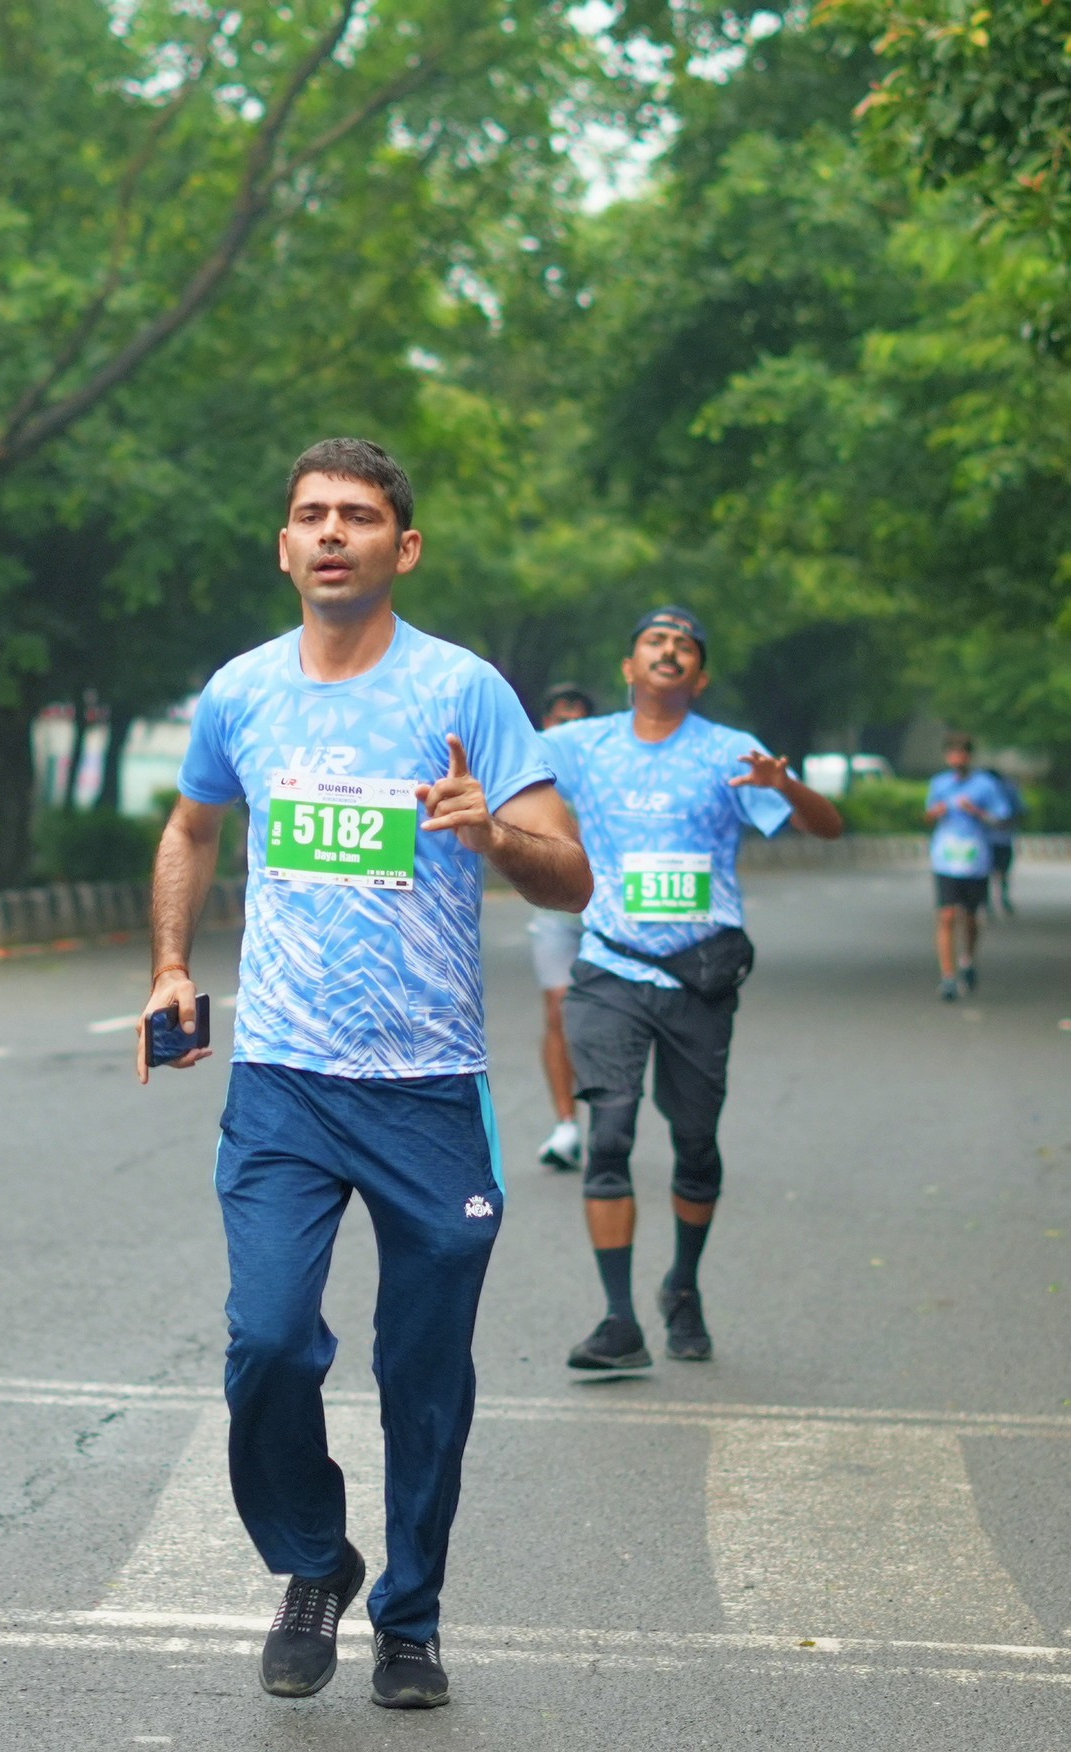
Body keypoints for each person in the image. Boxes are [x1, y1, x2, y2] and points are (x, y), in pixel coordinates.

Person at [139, 439, 590, 1712]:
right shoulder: (240, 692)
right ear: (284, 547)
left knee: (422, 1375)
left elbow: (571, 875)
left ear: (406, 546)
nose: (332, 532)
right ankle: (314, 1562)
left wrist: (493, 832)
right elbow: (191, 826)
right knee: (270, 1341)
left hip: (427, 1086)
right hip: (283, 1077)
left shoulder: (465, 692)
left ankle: (411, 1620)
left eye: (359, 515)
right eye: (311, 515)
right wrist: (170, 965)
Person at [545, 608, 843, 1373]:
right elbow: (498, 767)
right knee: (609, 1135)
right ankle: (618, 1321)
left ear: (700, 678)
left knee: (696, 1144)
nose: (669, 651)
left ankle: (682, 1284)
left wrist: (787, 786)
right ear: (629, 666)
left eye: (684, 646)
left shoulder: (731, 752)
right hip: (610, 967)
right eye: (655, 641)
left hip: (698, 975)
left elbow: (828, 827)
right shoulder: (579, 745)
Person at [529, 684, 598, 1170]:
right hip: (556, 912)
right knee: (559, 1009)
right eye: (560, 717)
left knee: (609, 1018)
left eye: (579, 718)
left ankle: (613, 1116)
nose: (569, 725)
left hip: (611, 909)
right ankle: (566, 1125)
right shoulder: (526, 766)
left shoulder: (607, 765)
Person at [925, 733, 1010, 1000]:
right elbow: (928, 816)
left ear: (969, 757)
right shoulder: (939, 784)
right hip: (946, 858)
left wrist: (977, 812)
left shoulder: (986, 786)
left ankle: (968, 960)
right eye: (953, 754)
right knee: (947, 915)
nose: (957, 759)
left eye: (962, 754)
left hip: (975, 859)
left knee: (970, 917)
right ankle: (948, 977)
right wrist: (935, 813)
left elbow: (1002, 818)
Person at [985, 765, 1025, 915]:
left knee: (987, 872)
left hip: (987, 839)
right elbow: (1020, 810)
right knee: (1003, 871)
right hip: (1004, 838)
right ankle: (1003, 898)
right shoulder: (1009, 787)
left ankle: (988, 902)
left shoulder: (983, 789)